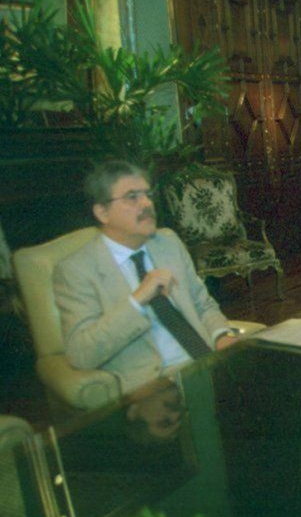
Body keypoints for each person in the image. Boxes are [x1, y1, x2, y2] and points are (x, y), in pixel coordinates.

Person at [53, 160, 237, 395]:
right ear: (102, 213)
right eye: (132, 197)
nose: (147, 203)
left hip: (206, 364)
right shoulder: (76, 270)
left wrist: (223, 336)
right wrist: (138, 300)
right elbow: (82, 354)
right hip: (155, 387)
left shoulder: (168, 243)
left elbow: (203, 304)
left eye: (147, 195)